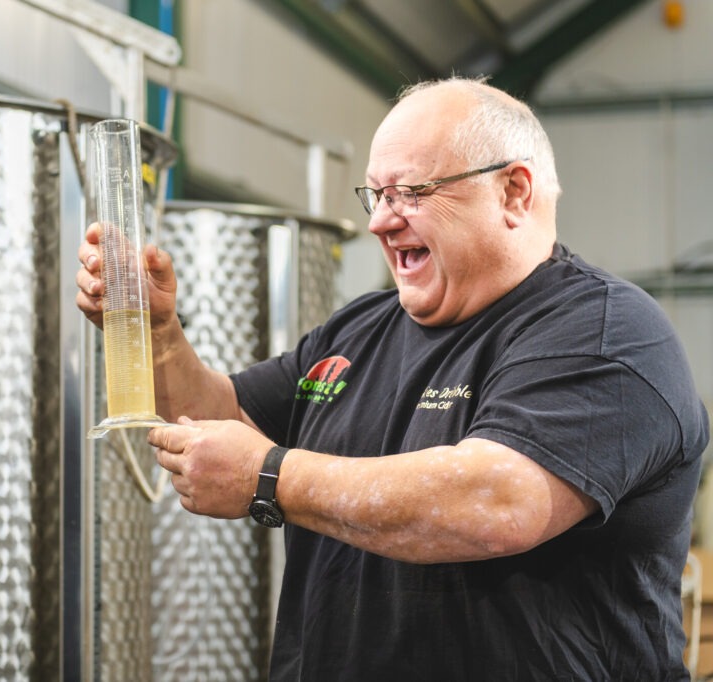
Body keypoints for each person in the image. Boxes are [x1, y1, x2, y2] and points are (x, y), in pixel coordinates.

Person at [76, 77, 710, 680]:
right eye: (376, 195)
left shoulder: (604, 331)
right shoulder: (357, 329)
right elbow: (223, 419)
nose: (380, 221)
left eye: (412, 192)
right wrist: (159, 336)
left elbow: (498, 503)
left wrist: (269, 477)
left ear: (514, 192)